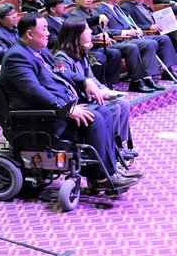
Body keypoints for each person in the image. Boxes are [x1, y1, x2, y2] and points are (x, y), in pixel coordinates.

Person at [0, 12, 137, 191]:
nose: (48, 33)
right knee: (94, 117)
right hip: (42, 117)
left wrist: (84, 80)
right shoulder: (17, 57)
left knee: (103, 110)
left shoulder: (42, 52)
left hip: (60, 106)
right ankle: (101, 177)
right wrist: (66, 109)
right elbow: (33, 91)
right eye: (44, 29)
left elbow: (61, 70)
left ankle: (110, 170)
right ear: (30, 33)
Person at [54, 17, 138, 173]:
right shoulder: (60, 57)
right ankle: (110, 149)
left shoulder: (81, 52)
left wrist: (106, 91)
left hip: (90, 96)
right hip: (78, 100)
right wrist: (97, 93)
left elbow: (92, 79)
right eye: (86, 29)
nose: (91, 31)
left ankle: (119, 145)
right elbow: (63, 75)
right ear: (76, 34)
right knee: (113, 108)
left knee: (123, 103)